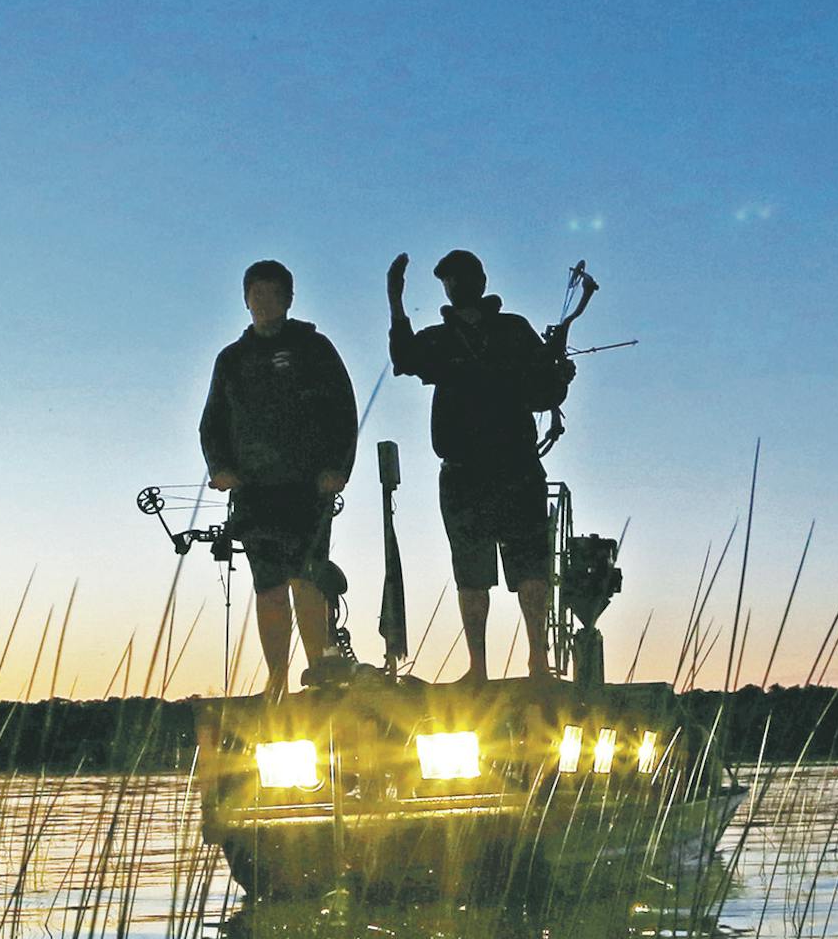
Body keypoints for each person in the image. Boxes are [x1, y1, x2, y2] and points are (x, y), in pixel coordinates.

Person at [386, 249, 572, 682]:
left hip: (516, 467)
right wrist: (395, 301)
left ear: (482, 279)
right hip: (463, 472)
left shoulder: (514, 330)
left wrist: (557, 376)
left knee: (530, 568)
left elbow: (544, 393)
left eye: (462, 276)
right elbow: (405, 360)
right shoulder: (439, 339)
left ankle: (538, 662)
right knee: (470, 574)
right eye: (448, 279)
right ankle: (478, 668)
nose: (456, 284)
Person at [200, 259, 358, 698]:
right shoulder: (231, 360)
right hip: (254, 493)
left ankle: (319, 674)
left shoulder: (316, 349)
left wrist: (336, 470)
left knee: (308, 580)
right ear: (246, 300)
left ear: (289, 299)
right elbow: (211, 423)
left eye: (273, 295)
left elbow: (344, 413)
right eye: (257, 295)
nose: (264, 303)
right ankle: (277, 681)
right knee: (268, 586)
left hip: (308, 490)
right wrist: (220, 469)